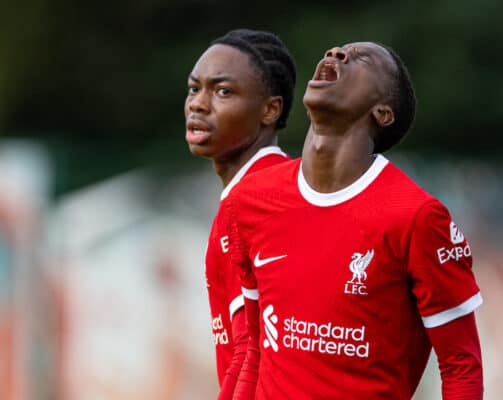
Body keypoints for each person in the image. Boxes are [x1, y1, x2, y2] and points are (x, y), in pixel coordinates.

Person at [226, 42, 483, 399]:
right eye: (337, 50)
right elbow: (253, 348)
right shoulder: (250, 200)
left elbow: (461, 367)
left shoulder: (417, 217)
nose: (336, 53)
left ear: (383, 112)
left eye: (363, 58)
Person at [184, 29, 296, 399]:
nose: (198, 104)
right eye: (193, 88)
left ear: (270, 109)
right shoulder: (276, 188)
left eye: (223, 91)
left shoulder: (256, 202)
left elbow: (254, 350)